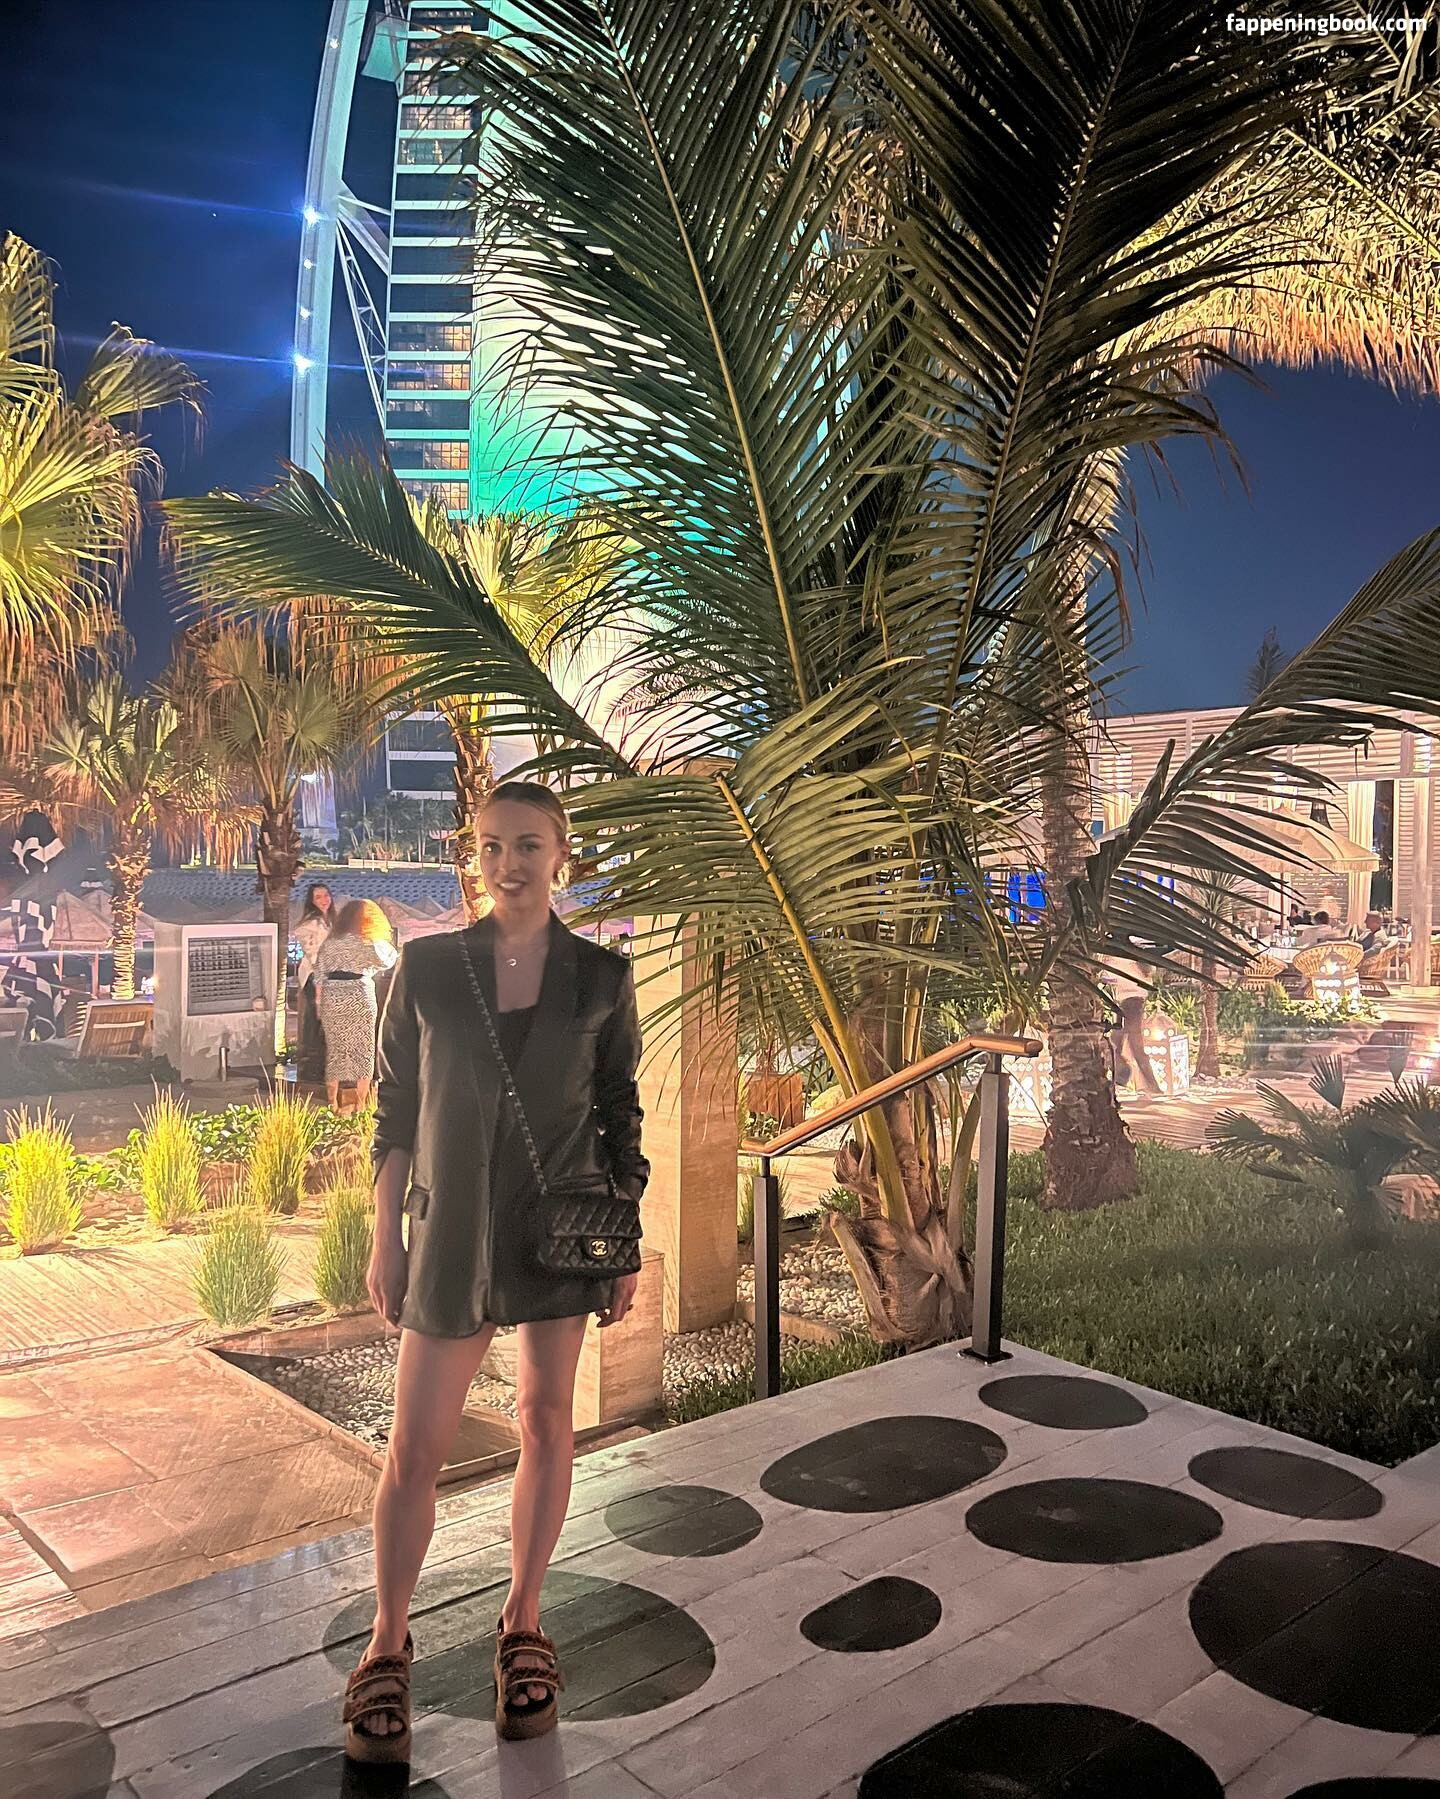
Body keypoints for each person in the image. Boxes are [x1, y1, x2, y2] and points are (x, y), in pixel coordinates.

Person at [342, 780, 648, 1761]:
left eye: (526, 844)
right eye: (490, 846)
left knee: (547, 1418)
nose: (507, 863)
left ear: (561, 853)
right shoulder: (428, 968)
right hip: (449, 1234)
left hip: (559, 1234)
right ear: (473, 855)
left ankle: (523, 1618)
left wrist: (624, 1235)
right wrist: (384, 1232)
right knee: (413, 1448)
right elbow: (394, 1111)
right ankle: (388, 1638)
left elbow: (621, 1116)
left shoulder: (601, 977)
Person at [315, 899, 398, 1113]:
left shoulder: (330, 943)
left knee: (336, 1050)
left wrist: (319, 1004)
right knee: (363, 1051)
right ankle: (360, 1105)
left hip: (332, 995)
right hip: (359, 993)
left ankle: (333, 1103)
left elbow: (319, 975)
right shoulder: (368, 943)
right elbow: (389, 959)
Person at [1104, 955, 1163, 1096]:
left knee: (1129, 1043)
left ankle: (1128, 1074)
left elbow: (1108, 977)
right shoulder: (1133, 957)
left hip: (1130, 1000)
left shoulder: (1115, 957)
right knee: (1120, 1042)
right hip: (1132, 999)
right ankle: (1124, 1074)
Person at [293, 882, 334, 1084]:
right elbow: (313, 954)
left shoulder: (332, 921)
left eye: (326, 895)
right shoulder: (310, 925)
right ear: (311, 901)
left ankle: (324, 1065)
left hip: (330, 976)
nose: (324, 900)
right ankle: (310, 1068)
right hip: (315, 976)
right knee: (314, 1021)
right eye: (318, 897)